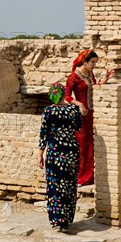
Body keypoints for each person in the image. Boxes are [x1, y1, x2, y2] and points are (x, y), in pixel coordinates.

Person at [38, 82, 83, 233]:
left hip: (55, 153)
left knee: (55, 186)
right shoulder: (73, 110)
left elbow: (43, 133)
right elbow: (78, 127)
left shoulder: (48, 111)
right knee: (69, 185)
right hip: (71, 152)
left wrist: (40, 154)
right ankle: (68, 219)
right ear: (64, 94)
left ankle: (59, 219)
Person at [64, 50, 114, 185]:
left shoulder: (90, 74)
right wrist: (79, 104)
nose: (94, 65)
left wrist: (106, 79)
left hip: (92, 113)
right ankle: (80, 177)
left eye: (95, 63)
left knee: (91, 144)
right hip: (81, 115)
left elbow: (95, 88)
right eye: (92, 62)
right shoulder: (73, 77)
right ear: (84, 62)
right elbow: (67, 96)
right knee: (81, 145)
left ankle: (90, 176)